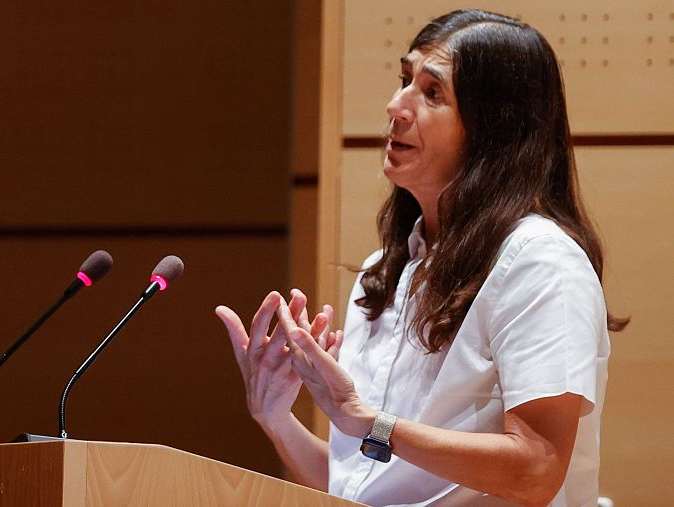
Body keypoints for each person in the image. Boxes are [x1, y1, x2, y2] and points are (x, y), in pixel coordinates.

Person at [215, 9, 628, 507]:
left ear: (494, 130)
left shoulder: (541, 263)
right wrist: (276, 419)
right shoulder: (382, 275)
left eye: (433, 93)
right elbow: (361, 487)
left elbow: (535, 469)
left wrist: (366, 420)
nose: (396, 105)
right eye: (405, 80)